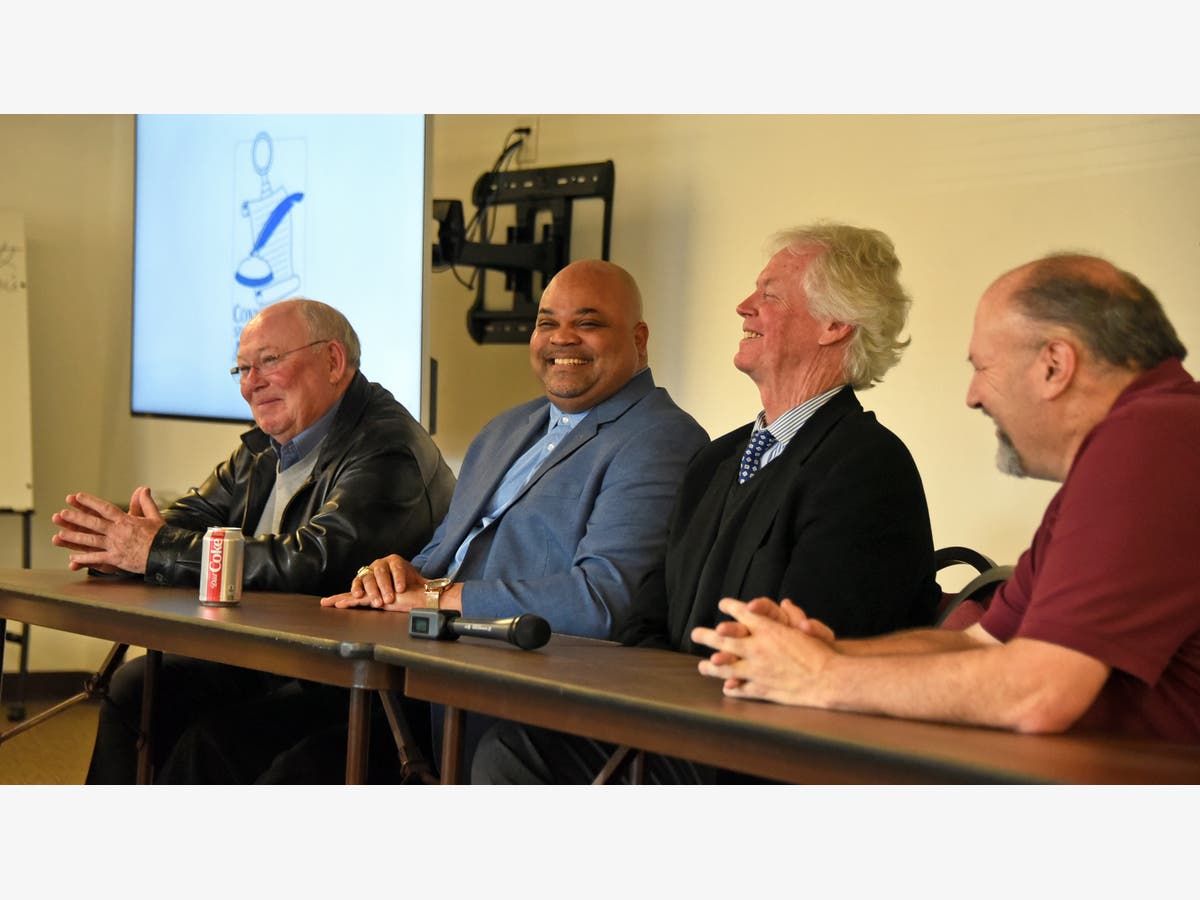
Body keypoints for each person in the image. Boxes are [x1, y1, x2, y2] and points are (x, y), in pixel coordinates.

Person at [159, 258, 710, 782]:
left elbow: (603, 599)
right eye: (547, 323)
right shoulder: (506, 429)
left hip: (509, 702)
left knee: (283, 776)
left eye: (588, 323)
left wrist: (439, 598)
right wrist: (395, 574)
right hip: (407, 674)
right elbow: (438, 554)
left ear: (638, 341)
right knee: (208, 745)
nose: (562, 338)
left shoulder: (660, 438)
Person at [473, 222, 941, 783]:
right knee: (510, 740)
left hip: (763, 755)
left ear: (835, 325)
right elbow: (645, 619)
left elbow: (805, 654)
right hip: (674, 725)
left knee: (514, 754)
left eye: (769, 295)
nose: (744, 307)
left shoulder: (867, 467)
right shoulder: (718, 460)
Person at [691, 253, 1200, 744]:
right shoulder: (1136, 445)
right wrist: (824, 654)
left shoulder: (1155, 439)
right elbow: (979, 642)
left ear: (1054, 364)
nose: (972, 395)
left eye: (983, 367)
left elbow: (1039, 692)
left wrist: (822, 678)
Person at [53, 298, 456, 783]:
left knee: (213, 746)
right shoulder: (267, 446)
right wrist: (123, 546)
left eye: (268, 361)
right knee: (136, 690)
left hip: (354, 679)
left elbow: (318, 561)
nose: (250, 383)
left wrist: (154, 551)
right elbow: (190, 517)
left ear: (333, 361)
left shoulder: (389, 447)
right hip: (269, 652)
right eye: (242, 368)